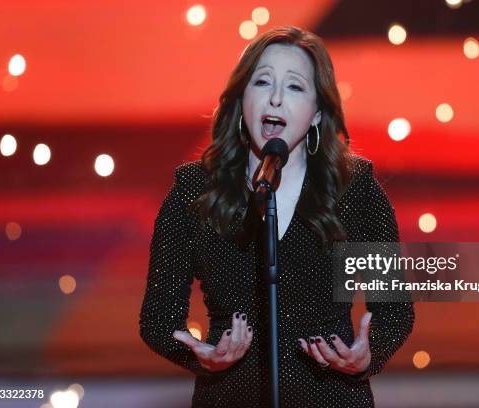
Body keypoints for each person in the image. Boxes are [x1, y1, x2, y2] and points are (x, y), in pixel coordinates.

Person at [139, 25, 415, 407]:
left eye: (296, 87)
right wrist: (201, 355)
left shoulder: (356, 189)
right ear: (240, 99)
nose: (275, 98)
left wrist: (368, 356)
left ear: (318, 113)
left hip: (332, 396)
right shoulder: (194, 190)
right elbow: (157, 320)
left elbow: (395, 312)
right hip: (230, 396)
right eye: (262, 82)